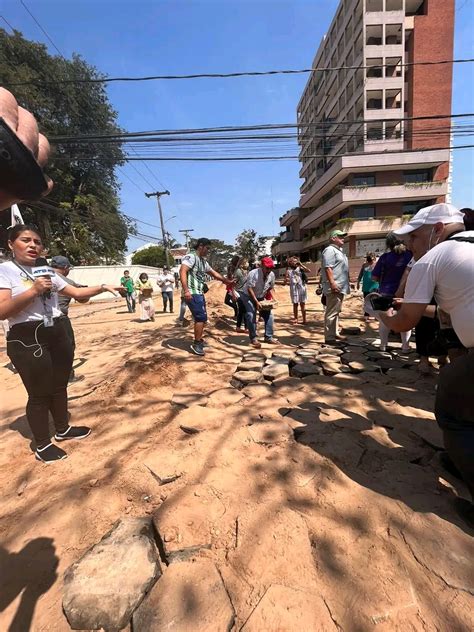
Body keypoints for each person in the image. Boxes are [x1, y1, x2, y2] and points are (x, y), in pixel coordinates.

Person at [377, 203, 474, 527]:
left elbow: (404, 323)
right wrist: (412, 306)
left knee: (451, 411)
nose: (409, 246)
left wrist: (382, 314)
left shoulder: (431, 259)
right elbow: (453, 307)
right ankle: (460, 458)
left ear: (436, 229)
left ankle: (464, 465)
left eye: (414, 238)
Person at [0, 225, 120, 463]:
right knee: (39, 393)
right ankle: (42, 444)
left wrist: (103, 287)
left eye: (37, 241)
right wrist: (33, 290)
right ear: (11, 245)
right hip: (27, 336)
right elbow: (2, 311)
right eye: (26, 240)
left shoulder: (47, 271)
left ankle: (63, 429)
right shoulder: (5, 271)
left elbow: (76, 293)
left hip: (57, 330)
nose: (33, 245)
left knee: (59, 385)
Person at [179, 238, 231, 356]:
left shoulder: (203, 261)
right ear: (201, 246)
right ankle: (197, 343)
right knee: (200, 318)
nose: (208, 251)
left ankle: (199, 340)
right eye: (207, 248)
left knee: (202, 318)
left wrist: (226, 281)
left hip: (198, 292)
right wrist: (186, 290)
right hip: (192, 292)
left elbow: (213, 273)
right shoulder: (191, 257)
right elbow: (182, 271)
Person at [371, 233, 413, 352]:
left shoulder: (385, 257)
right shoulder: (410, 256)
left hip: (386, 291)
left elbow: (374, 277)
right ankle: (405, 346)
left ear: (388, 243)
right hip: (406, 293)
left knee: (385, 319)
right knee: (405, 319)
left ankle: (383, 345)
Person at [51, 255, 89, 382]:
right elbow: (82, 298)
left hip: (42, 320)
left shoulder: (40, 276)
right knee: (67, 347)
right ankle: (67, 376)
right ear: (65, 268)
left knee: (49, 348)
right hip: (60, 319)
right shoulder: (66, 282)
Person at [240, 256, 277, 349]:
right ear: (262, 266)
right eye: (267, 268)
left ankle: (268, 337)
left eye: (271, 268)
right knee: (251, 315)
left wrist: (274, 299)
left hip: (261, 296)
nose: (269, 270)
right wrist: (256, 302)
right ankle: (253, 338)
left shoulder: (272, 275)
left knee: (269, 316)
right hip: (248, 296)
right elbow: (249, 288)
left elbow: (270, 288)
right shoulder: (253, 273)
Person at [321, 230, 350, 344]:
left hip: (340, 286)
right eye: (340, 236)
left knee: (336, 311)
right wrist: (332, 283)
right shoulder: (329, 250)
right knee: (331, 312)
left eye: (343, 236)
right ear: (333, 238)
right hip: (335, 286)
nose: (343, 238)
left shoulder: (339, 251)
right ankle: (329, 338)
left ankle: (334, 333)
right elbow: (328, 268)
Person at [285, 256, 310, 325]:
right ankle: (296, 319)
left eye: (296, 261)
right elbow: (285, 281)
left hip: (301, 287)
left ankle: (304, 320)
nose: (295, 262)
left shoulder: (300, 268)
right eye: (293, 261)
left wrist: (301, 264)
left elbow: (308, 271)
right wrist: (286, 279)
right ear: (290, 262)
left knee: (302, 304)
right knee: (295, 304)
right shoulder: (289, 270)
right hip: (294, 288)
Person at [356, 252, 379, 319]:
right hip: (366, 286)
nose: (369, 258)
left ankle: (376, 316)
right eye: (368, 256)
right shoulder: (364, 265)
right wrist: (358, 282)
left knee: (375, 301)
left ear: (374, 257)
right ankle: (367, 314)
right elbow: (360, 275)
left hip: (375, 286)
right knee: (366, 300)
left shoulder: (377, 265)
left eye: (371, 256)